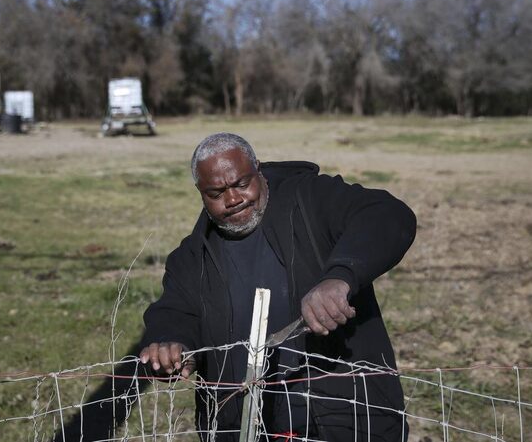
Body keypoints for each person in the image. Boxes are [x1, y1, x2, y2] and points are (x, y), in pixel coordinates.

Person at [140, 133, 416, 441]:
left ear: (258, 168)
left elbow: (387, 214)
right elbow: (174, 313)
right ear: (200, 192)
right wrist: (170, 345)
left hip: (348, 422)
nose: (233, 200)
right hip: (242, 430)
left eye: (242, 184)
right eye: (216, 193)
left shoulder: (311, 199)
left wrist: (340, 276)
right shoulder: (191, 258)